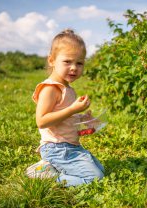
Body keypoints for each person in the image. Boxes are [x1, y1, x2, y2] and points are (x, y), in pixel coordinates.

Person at [31, 29, 104, 187]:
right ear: (52, 60)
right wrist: (72, 110)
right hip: (57, 149)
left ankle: (52, 169)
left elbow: (65, 118)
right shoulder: (50, 88)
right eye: (67, 62)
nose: (74, 68)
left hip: (71, 147)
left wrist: (82, 119)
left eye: (79, 63)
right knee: (94, 178)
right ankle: (46, 177)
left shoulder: (68, 88)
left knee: (101, 170)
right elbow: (42, 121)